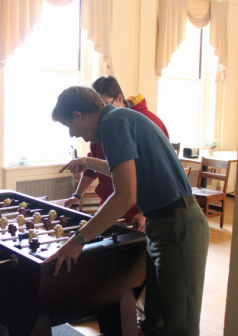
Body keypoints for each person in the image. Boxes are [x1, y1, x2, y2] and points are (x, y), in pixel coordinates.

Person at [46, 86, 209, 336]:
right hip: (163, 223)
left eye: (69, 125)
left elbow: (124, 195)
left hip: (177, 224)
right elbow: (126, 169)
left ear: (78, 115)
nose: (71, 133)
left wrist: (78, 240)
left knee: (179, 326)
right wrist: (90, 162)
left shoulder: (112, 124)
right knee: (156, 321)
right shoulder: (119, 118)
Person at [65, 76, 169, 233]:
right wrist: (77, 196)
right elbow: (96, 167)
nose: (100, 113)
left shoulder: (149, 121)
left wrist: (145, 213)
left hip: (140, 213)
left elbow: (160, 174)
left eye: (105, 105)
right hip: (110, 208)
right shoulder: (100, 127)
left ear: (120, 98)